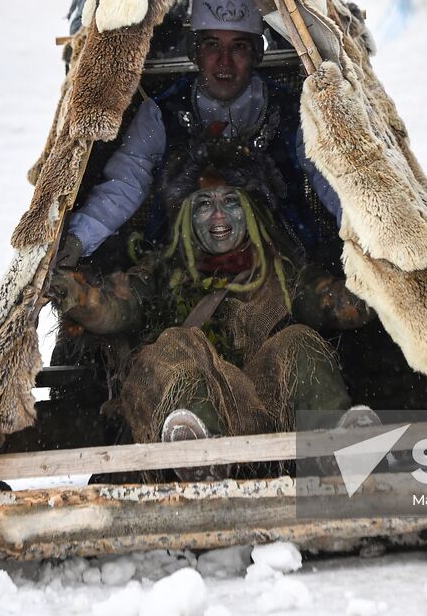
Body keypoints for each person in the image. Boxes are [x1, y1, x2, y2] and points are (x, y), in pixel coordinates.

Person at [51, 162, 371, 475]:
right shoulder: (162, 273)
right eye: (204, 204)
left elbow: (332, 302)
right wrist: (79, 298)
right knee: (177, 343)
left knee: (298, 339)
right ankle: (198, 454)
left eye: (230, 201)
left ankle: (339, 451)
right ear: (188, 217)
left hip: (267, 412)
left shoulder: (282, 272)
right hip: (191, 421)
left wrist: (377, 289)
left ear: (249, 211)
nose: (218, 214)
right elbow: (118, 307)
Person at [61, 0, 340, 265]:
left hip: (284, 262)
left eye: (239, 46)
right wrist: (79, 239)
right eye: (212, 45)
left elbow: (332, 177)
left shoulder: (295, 110)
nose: (224, 61)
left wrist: (365, 233)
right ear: (195, 53)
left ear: (256, 55)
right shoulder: (161, 112)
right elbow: (125, 182)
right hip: (177, 265)